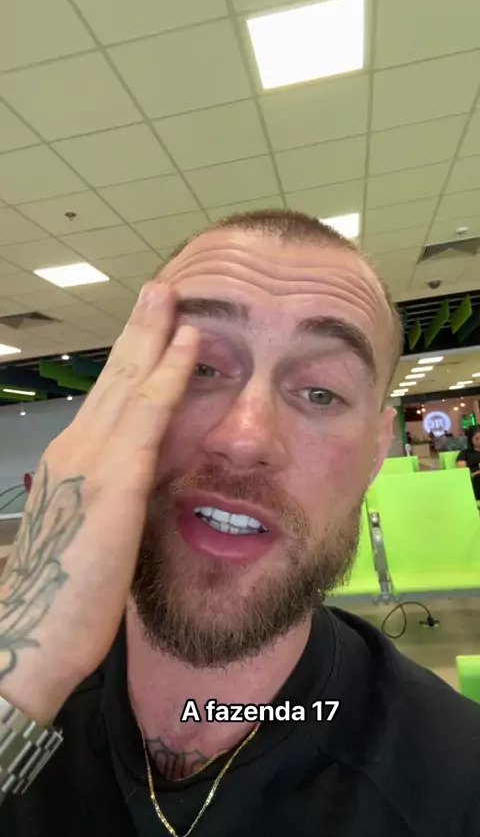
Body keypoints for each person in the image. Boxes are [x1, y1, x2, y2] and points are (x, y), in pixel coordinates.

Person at [0, 210, 479, 837]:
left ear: (373, 454)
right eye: (200, 368)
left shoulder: (455, 787)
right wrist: (26, 662)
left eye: (321, 392)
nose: (245, 438)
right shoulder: (24, 689)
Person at [456, 424, 480, 500]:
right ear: (470, 440)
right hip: (475, 481)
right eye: (477, 438)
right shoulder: (464, 454)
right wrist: (476, 473)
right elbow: (463, 474)